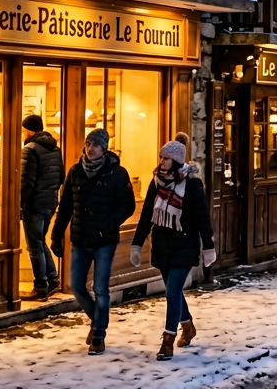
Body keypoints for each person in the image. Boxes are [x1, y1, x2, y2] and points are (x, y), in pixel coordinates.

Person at [51, 129, 136, 355]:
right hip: (79, 238)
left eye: (96, 145)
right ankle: (97, 319)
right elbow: (66, 206)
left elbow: (128, 205)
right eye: (88, 144)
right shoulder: (76, 171)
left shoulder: (117, 173)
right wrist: (56, 235)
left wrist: (110, 223)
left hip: (104, 240)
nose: (91, 148)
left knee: (100, 288)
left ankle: (98, 334)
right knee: (76, 286)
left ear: (104, 148)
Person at [131, 139, 215, 361]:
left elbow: (202, 218)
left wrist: (208, 246)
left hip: (184, 245)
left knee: (171, 292)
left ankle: (167, 340)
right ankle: (188, 326)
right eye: (161, 157)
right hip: (162, 245)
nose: (162, 161)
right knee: (174, 291)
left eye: (166, 158)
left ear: (176, 161)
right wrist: (137, 243)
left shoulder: (192, 185)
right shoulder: (156, 182)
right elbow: (148, 213)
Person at [20, 115, 65, 300]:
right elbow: (61, 177)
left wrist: (20, 205)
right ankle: (53, 280)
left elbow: (26, 182)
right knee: (40, 241)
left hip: (34, 204)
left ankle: (40, 286)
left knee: (34, 246)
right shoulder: (55, 148)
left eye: (23, 130)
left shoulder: (29, 150)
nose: (23, 133)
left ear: (29, 130)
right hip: (50, 203)